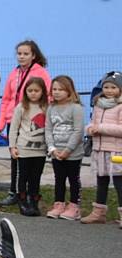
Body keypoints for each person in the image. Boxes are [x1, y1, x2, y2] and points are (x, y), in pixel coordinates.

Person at [0, 40, 52, 208]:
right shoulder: (14, 73)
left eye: (25, 53)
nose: (22, 56)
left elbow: (48, 97)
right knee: (15, 158)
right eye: (19, 53)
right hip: (13, 120)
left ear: (33, 55)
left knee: (31, 162)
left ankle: (30, 194)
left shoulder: (41, 73)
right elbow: (6, 99)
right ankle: (15, 192)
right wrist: (1, 122)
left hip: (31, 122)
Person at [82, 72, 122, 226]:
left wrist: (101, 128)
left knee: (119, 182)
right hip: (99, 149)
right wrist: (90, 128)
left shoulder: (120, 106)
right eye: (106, 87)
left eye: (113, 87)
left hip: (117, 150)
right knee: (101, 180)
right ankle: (98, 213)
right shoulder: (98, 104)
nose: (109, 90)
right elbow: (92, 122)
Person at [44, 76, 84, 220]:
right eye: (54, 89)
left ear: (69, 91)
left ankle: (74, 206)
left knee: (73, 179)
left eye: (61, 89)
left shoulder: (76, 108)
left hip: (72, 153)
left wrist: (68, 149)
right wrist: (52, 148)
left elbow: (78, 131)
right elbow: (48, 129)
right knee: (59, 179)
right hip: (56, 152)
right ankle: (59, 204)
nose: (57, 92)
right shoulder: (51, 108)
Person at [8, 77, 48, 216]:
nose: (33, 93)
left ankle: (33, 201)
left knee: (35, 177)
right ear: (25, 92)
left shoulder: (46, 107)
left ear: (42, 91)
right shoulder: (21, 107)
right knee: (23, 176)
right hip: (24, 149)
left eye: (36, 90)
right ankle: (22, 201)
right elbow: (14, 128)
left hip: (40, 150)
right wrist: (12, 147)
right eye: (30, 90)